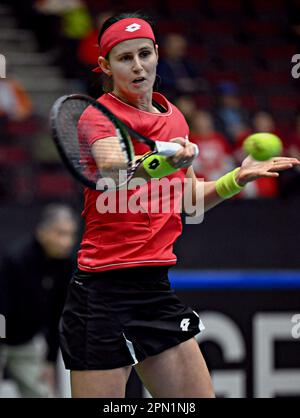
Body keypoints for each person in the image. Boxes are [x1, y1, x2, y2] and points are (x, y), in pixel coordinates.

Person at [58, 12, 300, 398]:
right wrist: (165, 161)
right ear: (106, 65)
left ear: (156, 53)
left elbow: (188, 201)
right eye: (124, 58)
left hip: (154, 290)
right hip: (102, 295)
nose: (138, 66)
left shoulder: (175, 119)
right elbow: (112, 170)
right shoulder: (97, 116)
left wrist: (237, 178)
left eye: (144, 54)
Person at [0, 204, 78, 397]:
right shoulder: (16, 260)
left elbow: (57, 315)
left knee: (42, 394)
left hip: (26, 344)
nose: (66, 242)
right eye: (60, 234)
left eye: (70, 235)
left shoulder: (65, 265)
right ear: (42, 232)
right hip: (2, 338)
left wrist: (50, 360)